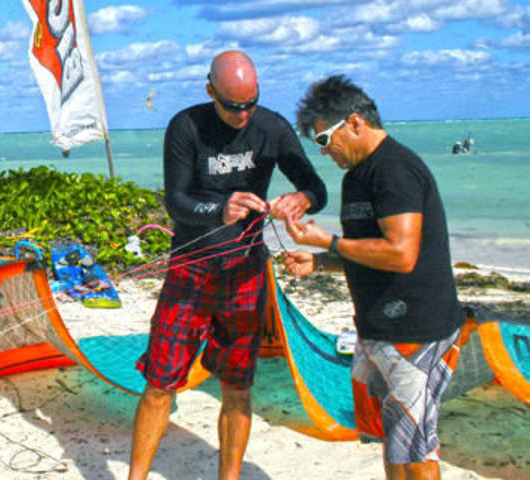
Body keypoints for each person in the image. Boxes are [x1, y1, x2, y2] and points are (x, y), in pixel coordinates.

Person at [129, 50, 327, 480]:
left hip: (246, 271)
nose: (242, 115)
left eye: (250, 103)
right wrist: (221, 209)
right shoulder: (187, 125)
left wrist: (301, 199)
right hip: (191, 270)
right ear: (210, 92)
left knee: (238, 386)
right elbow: (177, 202)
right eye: (232, 106)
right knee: (161, 381)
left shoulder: (272, 127)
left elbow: (316, 187)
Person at [283, 75, 463, 480]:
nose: (324, 152)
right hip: (376, 330)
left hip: (415, 329)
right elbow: (368, 250)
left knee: (416, 449)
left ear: (354, 123)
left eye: (324, 139)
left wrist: (328, 242)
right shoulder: (356, 178)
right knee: (392, 442)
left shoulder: (395, 170)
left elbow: (401, 253)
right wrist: (321, 262)